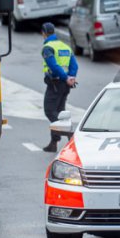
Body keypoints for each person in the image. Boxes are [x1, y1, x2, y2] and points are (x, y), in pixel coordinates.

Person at [41, 22, 78, 152]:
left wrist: (65, 77)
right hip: (65, 85)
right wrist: (71, 77)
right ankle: (54, 143)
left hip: (56, 84)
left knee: (50, 111)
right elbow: (74, 65)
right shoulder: (65, 47)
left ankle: (69, 134)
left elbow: (53, 66)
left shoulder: (48, 48)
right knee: (60, 112)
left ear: (43, 34)